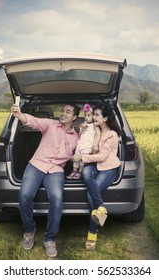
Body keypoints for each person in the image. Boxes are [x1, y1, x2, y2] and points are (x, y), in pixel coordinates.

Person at [11, 103, 80, 258]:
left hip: (55, 170)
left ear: (74, 117)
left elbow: (85, 151)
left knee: (56, 198)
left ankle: (49, 238)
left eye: (68, 112)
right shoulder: (50, 124)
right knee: (24, 194)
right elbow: (32, 120)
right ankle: (29, 230)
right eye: (62, 110)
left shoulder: (76, 138)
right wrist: (19, 114)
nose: (63, 113)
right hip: (37, 165)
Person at [71, 103, 121, 251]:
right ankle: (102, 208)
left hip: (109, 168)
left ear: (105, 118)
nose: (94, 117)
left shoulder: (111, 135)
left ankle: (92, 232)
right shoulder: (93, 129)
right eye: (93, 114)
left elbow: (103, 156)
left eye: (97, 115)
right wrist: (81, 131)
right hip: (96, 166)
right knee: (86, 172)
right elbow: (83, 141)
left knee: (90, 193)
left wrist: (82, 157)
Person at [66, 103, 100, 180]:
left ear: (93, 116)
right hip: (80, 144)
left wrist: (95, 144)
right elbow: (79, 135)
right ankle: (73, 172)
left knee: (82, 160)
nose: (86, 118)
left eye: (89, 115)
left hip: (88, 145)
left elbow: (98, 135)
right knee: (76, 158)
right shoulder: (84, 123)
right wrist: (81, 130)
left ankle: (79, 173)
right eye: (85, 115)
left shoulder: (95, 125)